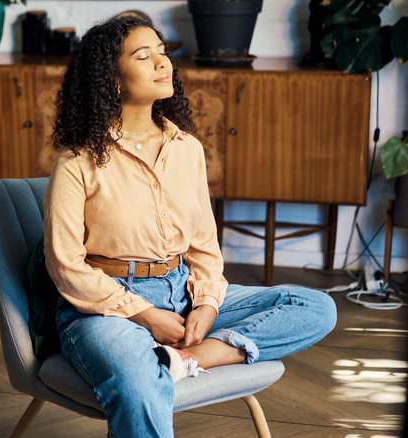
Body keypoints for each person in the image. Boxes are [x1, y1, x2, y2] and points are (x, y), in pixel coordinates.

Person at [42, 16, 337, 438]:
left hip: (183, 292)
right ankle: (165, 359)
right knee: (138, 380)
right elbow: (65, 264)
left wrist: (207, 306)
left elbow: (203, 246)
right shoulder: (79, 160)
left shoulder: (188, 150)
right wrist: (145, 315)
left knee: (316, 308)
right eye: (144, 56)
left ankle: (193, 357)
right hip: (104, 307)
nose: (163, 63)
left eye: (163, 52)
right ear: (112, 78)